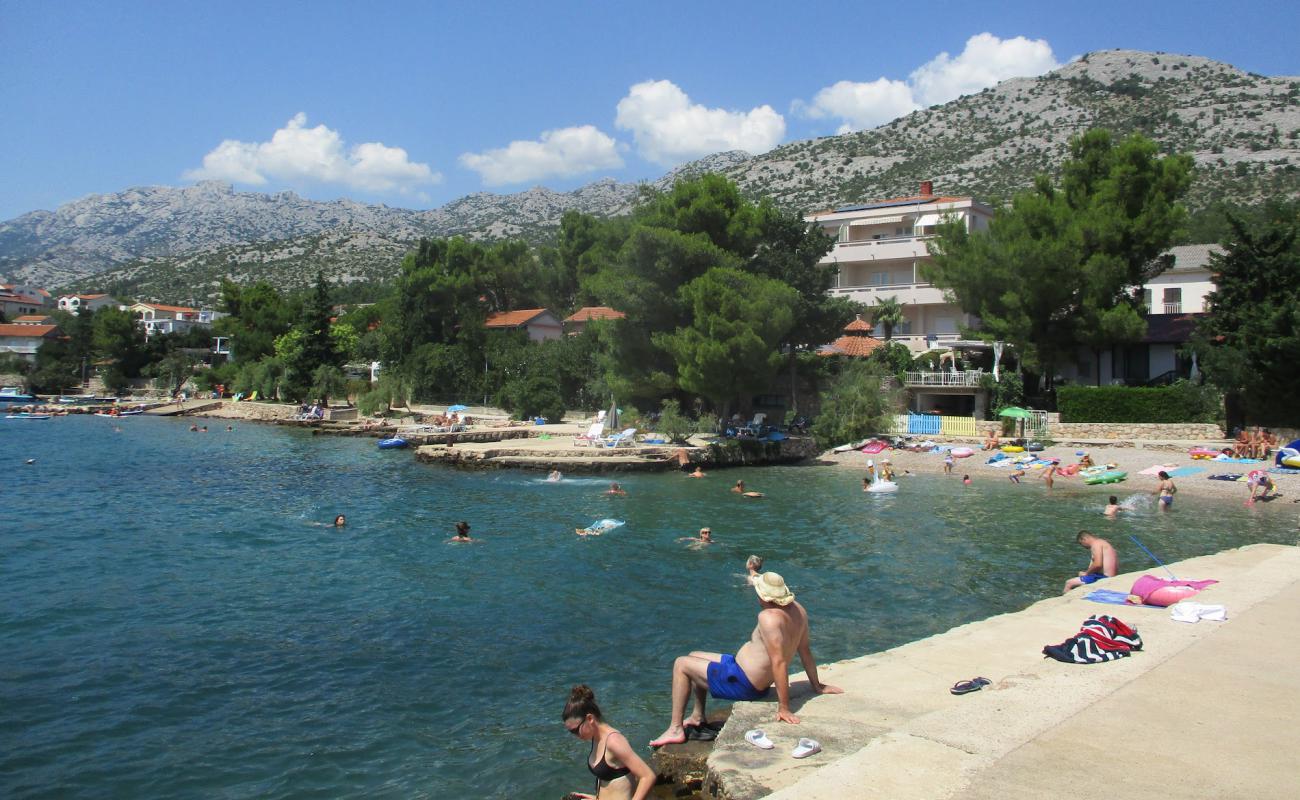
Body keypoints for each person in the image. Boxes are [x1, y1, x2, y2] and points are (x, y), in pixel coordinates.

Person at [649, 572, 843, 747]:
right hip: (738, 668)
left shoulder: (768, 618)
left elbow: (779, 662)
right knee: (693, 655)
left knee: (681, 664)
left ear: (762, 596)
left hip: (744, 683)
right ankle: (698, 716)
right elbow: (805, 650)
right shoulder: (798, 610)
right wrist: (816, 685)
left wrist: (784, 707)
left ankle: (675, 729)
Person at [561, 684, 655, 800]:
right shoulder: (596, 738)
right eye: (571, 732)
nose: (576, 736)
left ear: (590, 719)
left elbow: (648, 776)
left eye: (576, 730)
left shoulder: (614, 741)